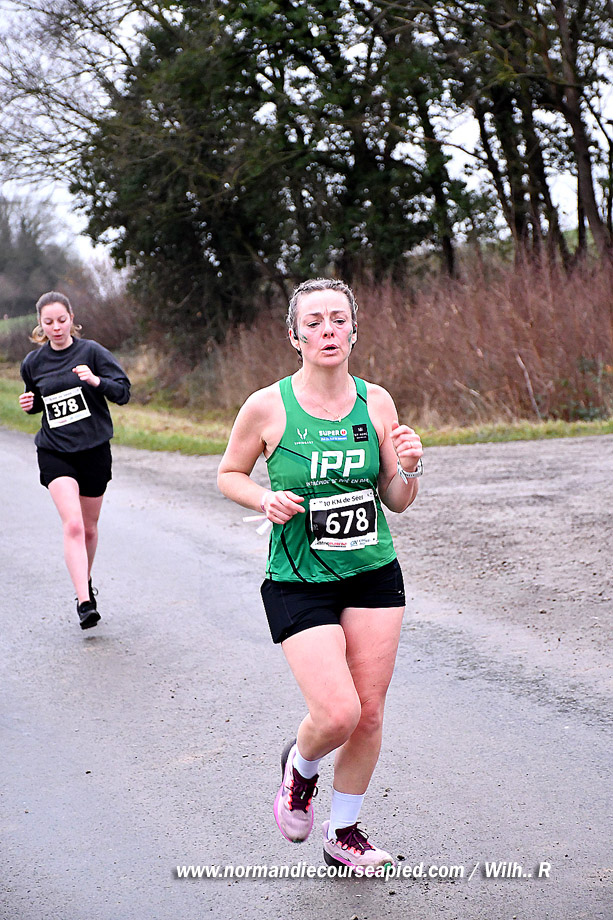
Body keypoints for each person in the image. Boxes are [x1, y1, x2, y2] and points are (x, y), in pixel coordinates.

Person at [217, 278, 423, 870]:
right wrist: (264, 499)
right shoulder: (267, 406)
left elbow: (396, 499)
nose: (327, 330)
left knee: (370, 713)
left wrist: (410, 467)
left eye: (338, 319)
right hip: (297, 577)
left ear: (354, 331)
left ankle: (343, 833)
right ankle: (300, 766)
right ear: (295, 335)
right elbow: (229, 474)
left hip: (372, 572)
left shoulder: (376, 402)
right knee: (338, 713)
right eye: (314, 322)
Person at [19, 291, 131, 629]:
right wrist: (30, 405)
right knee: (73, 525)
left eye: (61, 320)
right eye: (48, 322)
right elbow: (39, 400)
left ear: (71, 319)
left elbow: (123, 392)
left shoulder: (92, 352)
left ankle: (86, 580)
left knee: (90, 529)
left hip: (93, 450)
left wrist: (96, 381)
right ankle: (84, 601)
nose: (56, 327)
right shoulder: (32, 363)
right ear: (40, 325)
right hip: (54, 451)